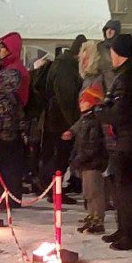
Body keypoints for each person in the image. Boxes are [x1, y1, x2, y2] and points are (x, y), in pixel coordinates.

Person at [95, 33, 132, 251]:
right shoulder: (126, 74)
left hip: (128, 141)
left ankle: (130, 235)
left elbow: (120, 112)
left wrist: (98, 111)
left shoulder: (127, 77)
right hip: (124, 139)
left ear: (118, 53)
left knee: (124, 190)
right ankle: (123, 229)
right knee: (118, 188)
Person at [0, 32, 30, 205]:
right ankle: (5, 197)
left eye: (3, 47)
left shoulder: (12, 71)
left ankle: (5, 198)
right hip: (4, 122)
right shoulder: (4, 68)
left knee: (5, 164)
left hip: (6, 125)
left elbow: (5, 102)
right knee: (5, 163)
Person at [39, 35, 84, 199]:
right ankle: (54, 191)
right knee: (60, 156)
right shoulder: (66, 66)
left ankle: (52, 188)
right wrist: (72, 123)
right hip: (60, 120)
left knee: (56, 155)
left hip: (53, 117)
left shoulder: (61, 64)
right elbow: (65, 97)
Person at [66, 79, 107, 234]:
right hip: (85, 161)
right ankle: (91, 215)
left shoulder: (94, 122)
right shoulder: (85, 119)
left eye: (84, 101)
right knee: (88, 192)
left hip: (92, 162)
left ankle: (98, 219)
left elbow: (93, 145)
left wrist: (80, 158)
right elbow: (77, 129)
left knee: (94, 192)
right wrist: (71, 132)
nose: (80, 104)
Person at [96, 19, 122, 91]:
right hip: (99, 83)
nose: (109, 31)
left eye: (112, 29)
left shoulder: (121, 47)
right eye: (107, 29)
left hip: (115, 83)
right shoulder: (99, 47)